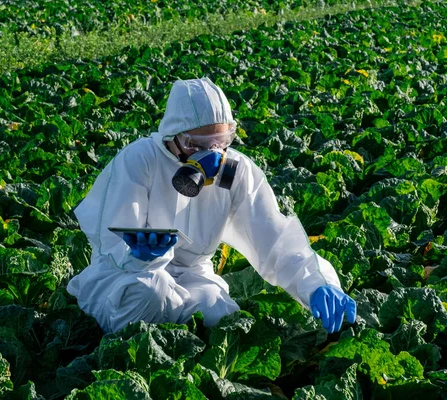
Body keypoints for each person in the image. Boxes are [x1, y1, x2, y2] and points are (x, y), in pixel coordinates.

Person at [66, 77, 356, 334]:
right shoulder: (141, 159)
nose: (212, 155)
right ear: (173, 137)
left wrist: (317, 284)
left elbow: (274, 240)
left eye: (221, 142)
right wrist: (139, 256)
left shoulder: (234, 172)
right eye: (197, 145)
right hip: (129, 273)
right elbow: (112, 241)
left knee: (221, 316)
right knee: (148, 294)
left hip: (193, 273)